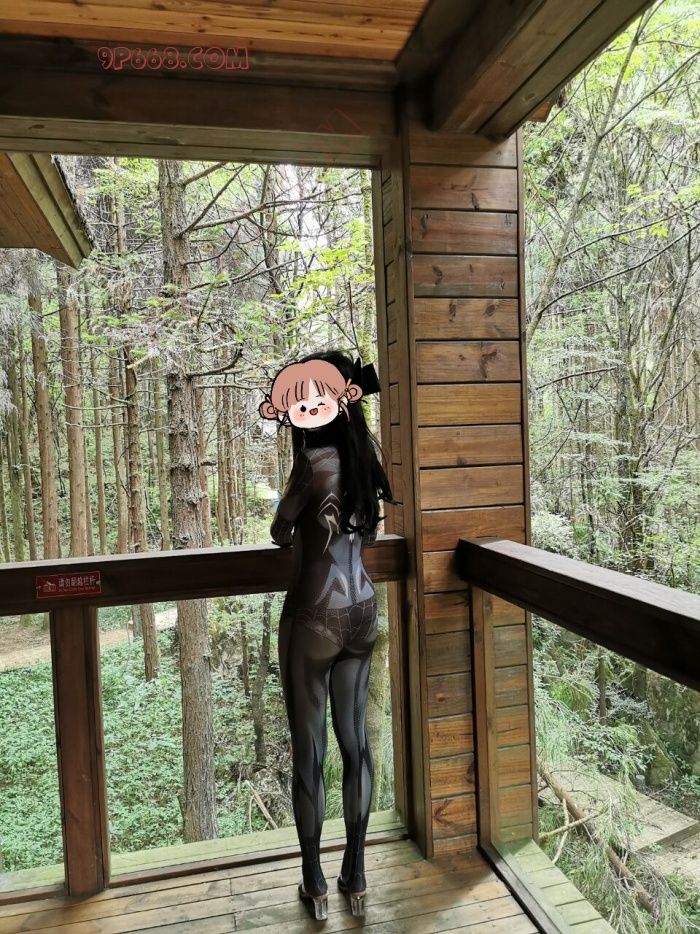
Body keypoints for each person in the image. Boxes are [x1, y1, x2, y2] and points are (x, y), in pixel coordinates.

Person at [260, 350, 394, 920]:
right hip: (362, 612)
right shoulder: (365, 460)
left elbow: (280, 529)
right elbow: (369, 534)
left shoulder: (311, 463)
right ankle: (356, 875)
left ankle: (315, 881)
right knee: (356, 745)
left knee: (310, 753)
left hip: (313, 615)